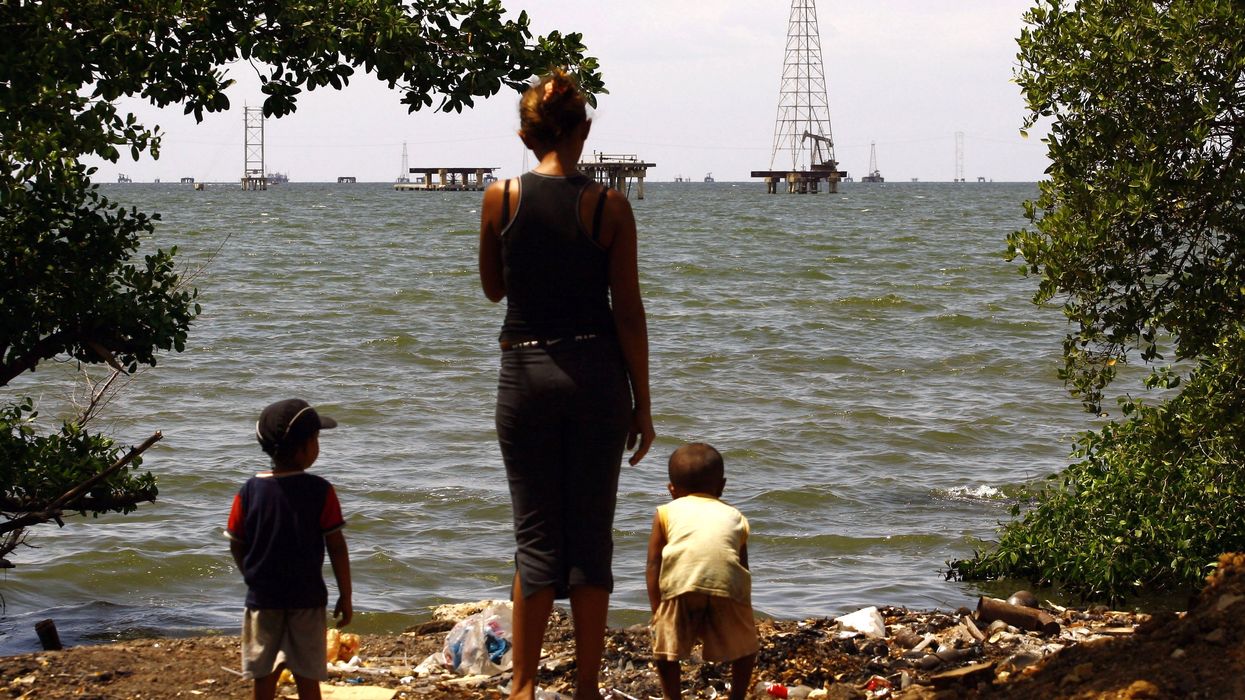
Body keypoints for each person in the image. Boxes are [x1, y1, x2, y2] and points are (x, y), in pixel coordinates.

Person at [478, 69, 655, 700]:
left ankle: (523, 685)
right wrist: (644, 403)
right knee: (590, 535)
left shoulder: (500, 196)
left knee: (535, 535)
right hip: (597, 377)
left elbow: (494, 288)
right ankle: (585, 686)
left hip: (524, 372)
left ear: (528, 137)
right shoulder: (610, 206)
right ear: (583, 132)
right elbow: (628, 310)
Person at [226, 398, 353, 700]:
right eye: (317, 439)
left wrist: (250, 575)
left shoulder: (249, 491)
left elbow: (236, 541)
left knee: (264, 674)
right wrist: (345, 595)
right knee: (308, 675)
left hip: (263, 599)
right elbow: (336, 546)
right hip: (307, 600)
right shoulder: (321, 491)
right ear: (307, 446)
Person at [646, 443, 757, 700]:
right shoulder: (735, 515)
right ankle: (737, 696)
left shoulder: (665, 512)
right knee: (746, 648)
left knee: (666, 651)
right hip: (726, 586)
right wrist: (745, 607)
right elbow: (742, 567)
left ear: (671, 490)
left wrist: (657, 608)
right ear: (721, 486)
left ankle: (673, 697)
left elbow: (653, 564)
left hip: (681, 585)